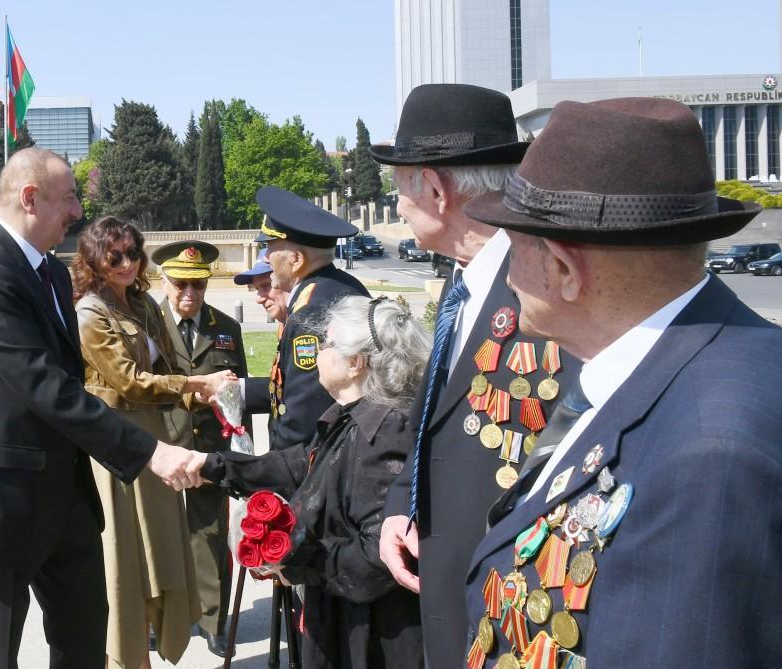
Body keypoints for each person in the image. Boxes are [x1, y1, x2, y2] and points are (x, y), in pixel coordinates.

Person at [461, 97, 779, 667]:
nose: (505, 272)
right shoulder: (667, 365)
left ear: (562, 270)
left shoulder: (710, 457)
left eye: (513, 242)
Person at [0, 148, 206, 669]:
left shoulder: (53, 275)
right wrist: (149, 452)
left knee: (83, 639)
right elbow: (45, 386)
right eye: (69, 197)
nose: (77, 211)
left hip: (64, 498)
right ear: (30, 199)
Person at [369, 84, 579, 669]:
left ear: (435, 190)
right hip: (446, 601)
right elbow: (432, 421)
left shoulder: (546, 290)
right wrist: (400, 505)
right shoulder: (462, 284)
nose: (396, 206)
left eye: (400, 188)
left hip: (513, 621)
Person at [188, 295, 432, 668]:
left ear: (356, 363)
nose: (318, 352)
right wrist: (211, 465)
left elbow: (374, 561)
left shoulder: (384, 433)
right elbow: (299, 465)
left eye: (328, 343)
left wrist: (295, 560)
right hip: (343, 622)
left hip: (368, 641)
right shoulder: (354, 417)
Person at [72, 219, 234, 668]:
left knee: (159, 562)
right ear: (94, 262)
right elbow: (129, 381)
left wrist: (203, 385)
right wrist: (197, 383)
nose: (127, 264)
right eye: (115, 256)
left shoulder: (142, 304)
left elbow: (166, 362)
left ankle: (142, 653)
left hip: (155, 442)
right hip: (118, 449)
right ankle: (122, 657)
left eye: (132, 254)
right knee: (126, 568)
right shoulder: (90, 313)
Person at [150, 240, 250, 658]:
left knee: (209, 534)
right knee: (159, 536)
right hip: (160, 448)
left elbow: (240, 396)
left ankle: (213, 620)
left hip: (210, 447)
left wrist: (242, 451)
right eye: (180, 284)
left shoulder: (226, 328)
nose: (189, 293)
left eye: (198, 285)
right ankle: (161, 621)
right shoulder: (146, 325)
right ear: (164, 280)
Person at [243, 186, 370, 451]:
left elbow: (304, 420)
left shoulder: (311, 313)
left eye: (270, 247)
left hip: (317, 469)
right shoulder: (342, 286)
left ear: (296, 259)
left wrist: (276, 477)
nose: (266, 257)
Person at [234, 247, 289, 325]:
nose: (259, 299)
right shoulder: (286, 325)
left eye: (267, 285)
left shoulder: (306, 325)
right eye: (257, 288)